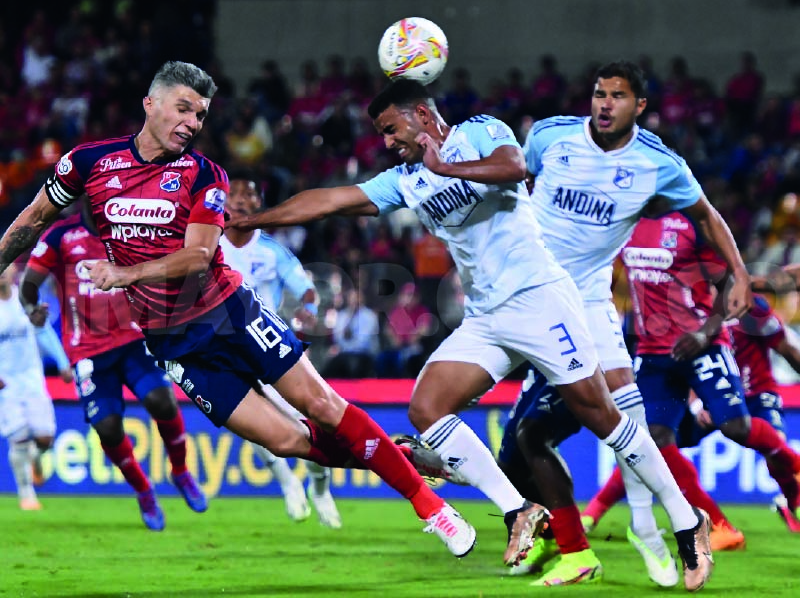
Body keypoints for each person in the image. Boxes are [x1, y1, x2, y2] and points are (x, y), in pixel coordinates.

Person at [227, 78, 713, 589]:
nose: (387, 143)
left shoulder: (480, 132)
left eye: (391, 129)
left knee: (603, 417)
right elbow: (330, 200)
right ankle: (517, 510)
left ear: (419, 114)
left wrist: (447, 168)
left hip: (540, 298)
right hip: (486, 317)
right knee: (427, 407)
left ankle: (686, 521)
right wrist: (254, 219)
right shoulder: (407, 179)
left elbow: (514, 167)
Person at [0, 61, 476, 561]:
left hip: (231, 313)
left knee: (323, 407)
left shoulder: (204, 174)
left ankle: (431, 508)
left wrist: (125, 275)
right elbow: (33, 218)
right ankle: (399, 457)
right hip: (173, 344)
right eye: (183, 108)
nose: (192, 122)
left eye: (201, 114)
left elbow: (199, 256)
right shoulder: (88, 163)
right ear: (150, 104)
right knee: (289, 442)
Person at [497, 60, 753, 588]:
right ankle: (550, 526)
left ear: (639, 106)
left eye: (616, 95)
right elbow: (511, 185)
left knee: (612, 411)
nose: (604, 103)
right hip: (523, 299)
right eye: (598, 93)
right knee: (515, 448)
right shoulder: (550, 137)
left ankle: (647, 527)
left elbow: (705, 213)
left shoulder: (657, 163)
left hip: (586, 302)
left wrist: (742, 273)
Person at [20, 198, 208, 531]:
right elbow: (29, 283)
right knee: (107, 426)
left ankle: (180, 471)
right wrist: (33, 308)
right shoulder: (61, 235)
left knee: (160, 400)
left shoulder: (133, 230)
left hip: (133, 337)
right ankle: (144, 491)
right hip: (87, 350)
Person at [620, 211, 800, 547]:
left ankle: (795, 474)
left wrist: (704, 334)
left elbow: (732, 284)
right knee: (653, 441)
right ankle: (718, 526)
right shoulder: (625, 220)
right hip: (655, 352)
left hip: (710, 352)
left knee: (735, 426)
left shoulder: (693, 223)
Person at [220, 171, 341, 529]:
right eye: (234, 194)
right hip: (228, 352)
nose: (241, 200)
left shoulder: (272, 250)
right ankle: (288, 483)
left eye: (249, 194)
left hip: (271, 348)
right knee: (252, 425)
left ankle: (319, 485)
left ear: (260, 204)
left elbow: (307, 290)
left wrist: (309, 309)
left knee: (311, 425)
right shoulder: (206, 246)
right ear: (222, 202)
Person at [0, 264, 68, 510]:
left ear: (14, 270)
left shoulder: (25, 299)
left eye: (5, 267)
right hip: (5, 384)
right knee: (18, 438)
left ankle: (35, 459)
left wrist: (62, 363)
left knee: (45, 438)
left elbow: (43, 332)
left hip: (32, 378)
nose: (2, 272)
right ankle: (26, 493)